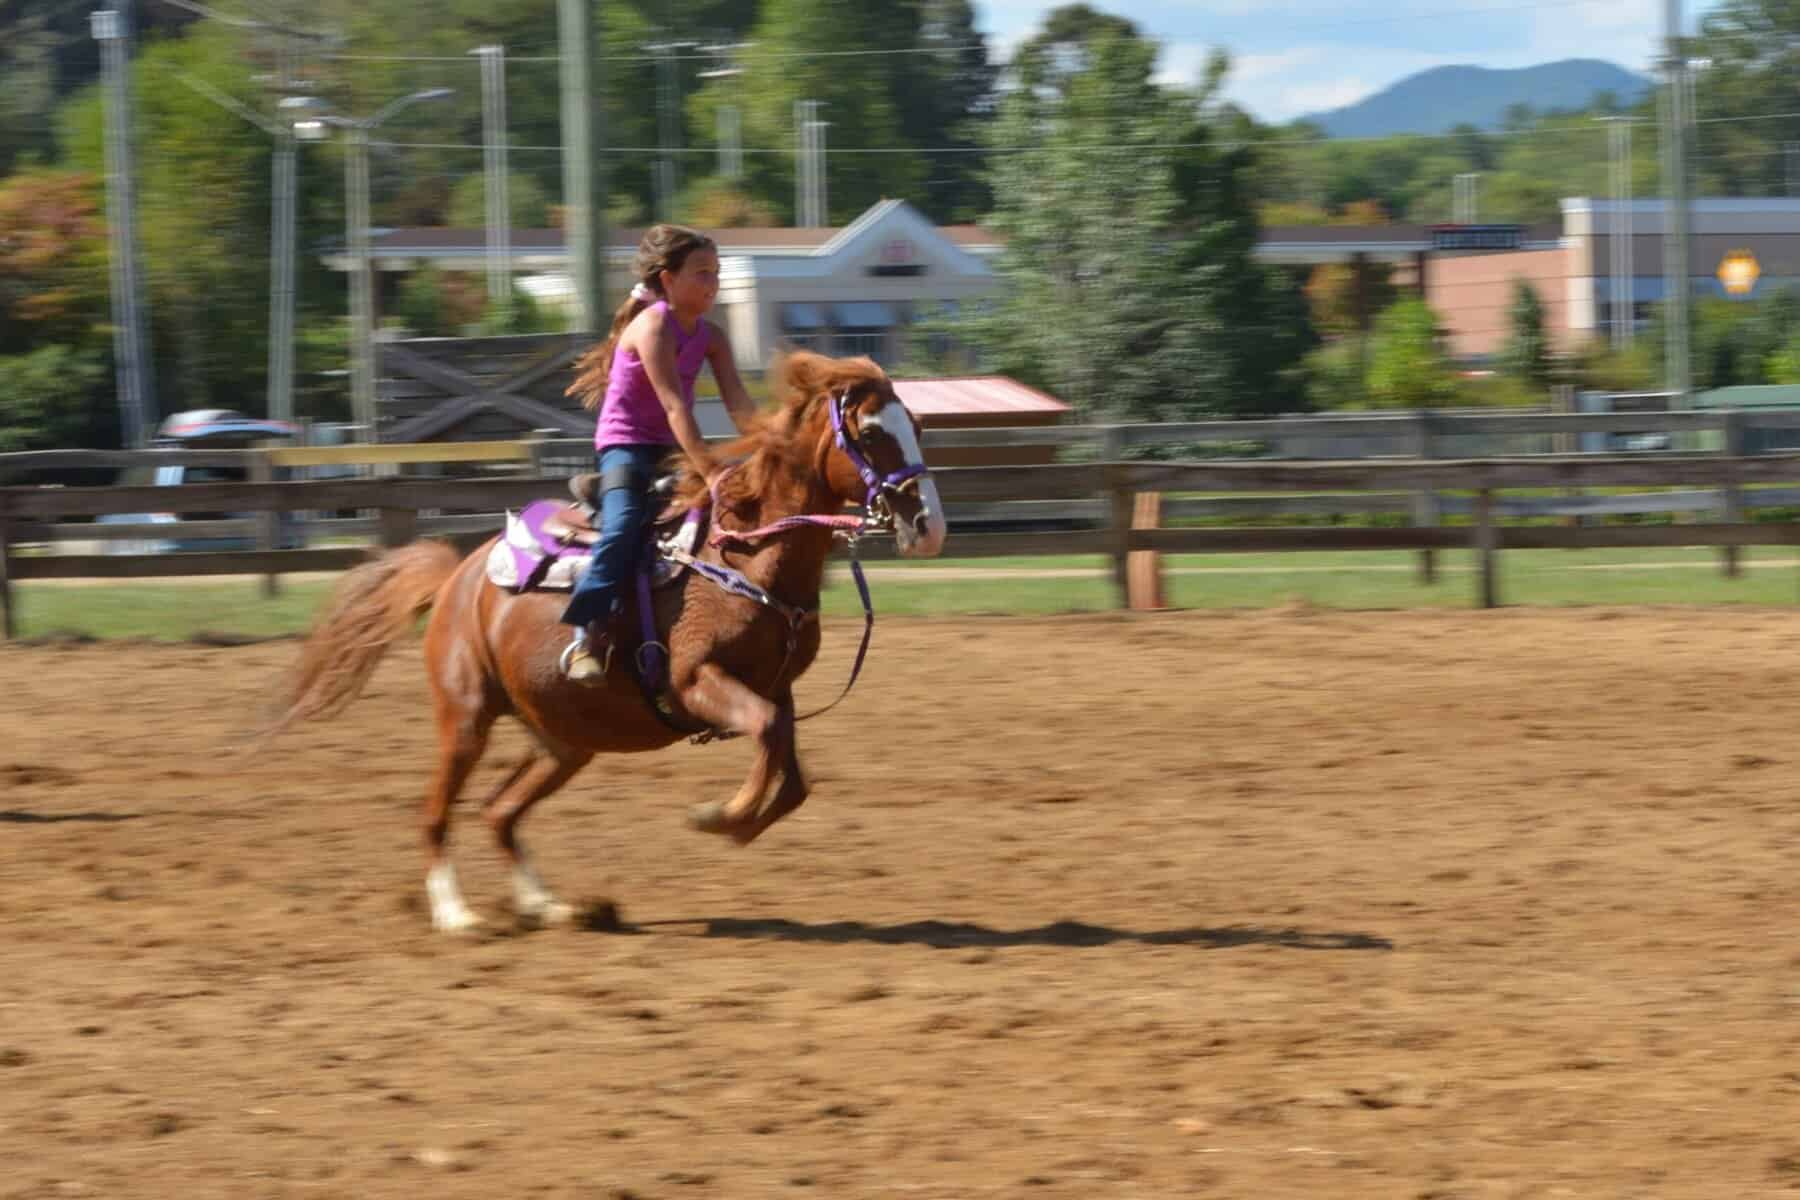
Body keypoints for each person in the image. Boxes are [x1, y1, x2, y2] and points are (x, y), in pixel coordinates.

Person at [559, 223, 757, 684]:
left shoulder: (712, 337)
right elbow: (673, 405)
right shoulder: (651, 327)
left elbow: (740, 405)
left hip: (671, 445)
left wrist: (770, 449)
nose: (713, 284)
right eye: (702, 273)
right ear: (668, 280)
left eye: (716, 273)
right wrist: (708, 468)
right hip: (626, 443)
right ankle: (584, 636)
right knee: (625, 524)